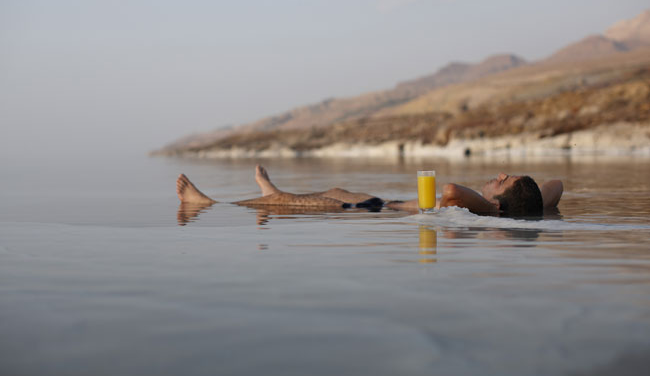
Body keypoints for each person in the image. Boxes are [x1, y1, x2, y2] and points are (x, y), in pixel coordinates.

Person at [176, 165, 563, 217]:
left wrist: (494, 207)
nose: (498, 174)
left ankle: (209, 203)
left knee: (300, 205)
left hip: (377, 212)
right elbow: (555, 186)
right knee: (335, 188)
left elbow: (448, 190)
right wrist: (530, 200)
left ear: (498, 199)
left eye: (503, 180)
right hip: (381, 204)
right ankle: (273, 191)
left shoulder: (484, 210)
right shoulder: (524, 206)